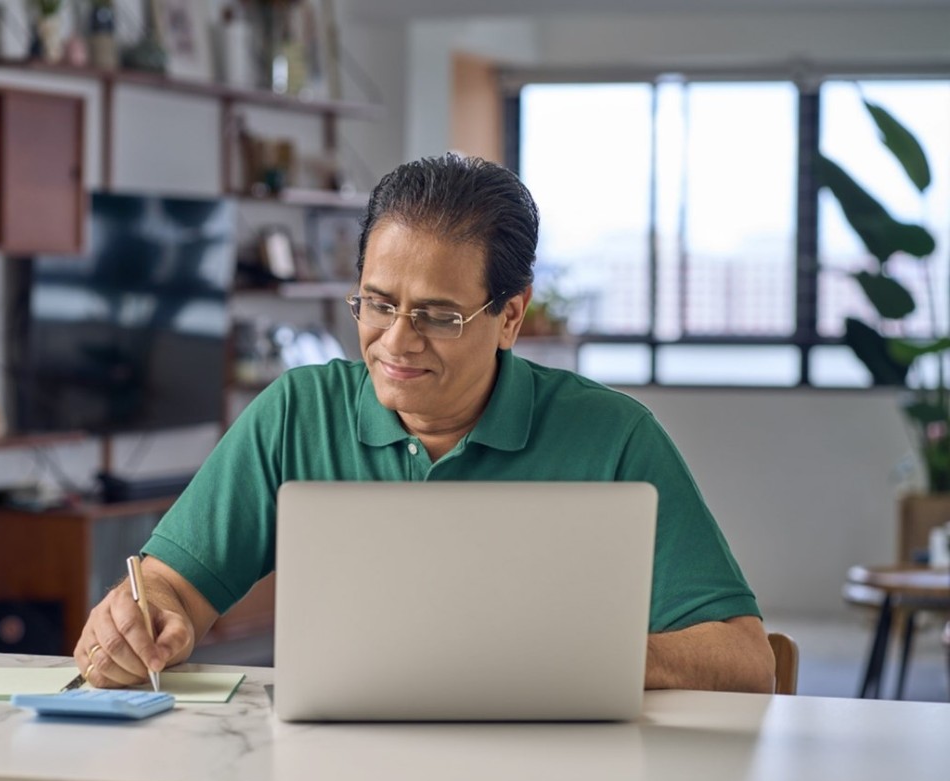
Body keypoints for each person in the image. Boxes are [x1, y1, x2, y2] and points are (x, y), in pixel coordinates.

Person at [75, 153, 775, 694]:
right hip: (335, 777)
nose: (397, 342)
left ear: (510, 316)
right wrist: (141, 620)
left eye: (438, 316)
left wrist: (583, 655)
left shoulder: (614, 436)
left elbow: (746, 659)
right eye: (378, 305)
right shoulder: (295, 414)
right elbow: (172, 587)